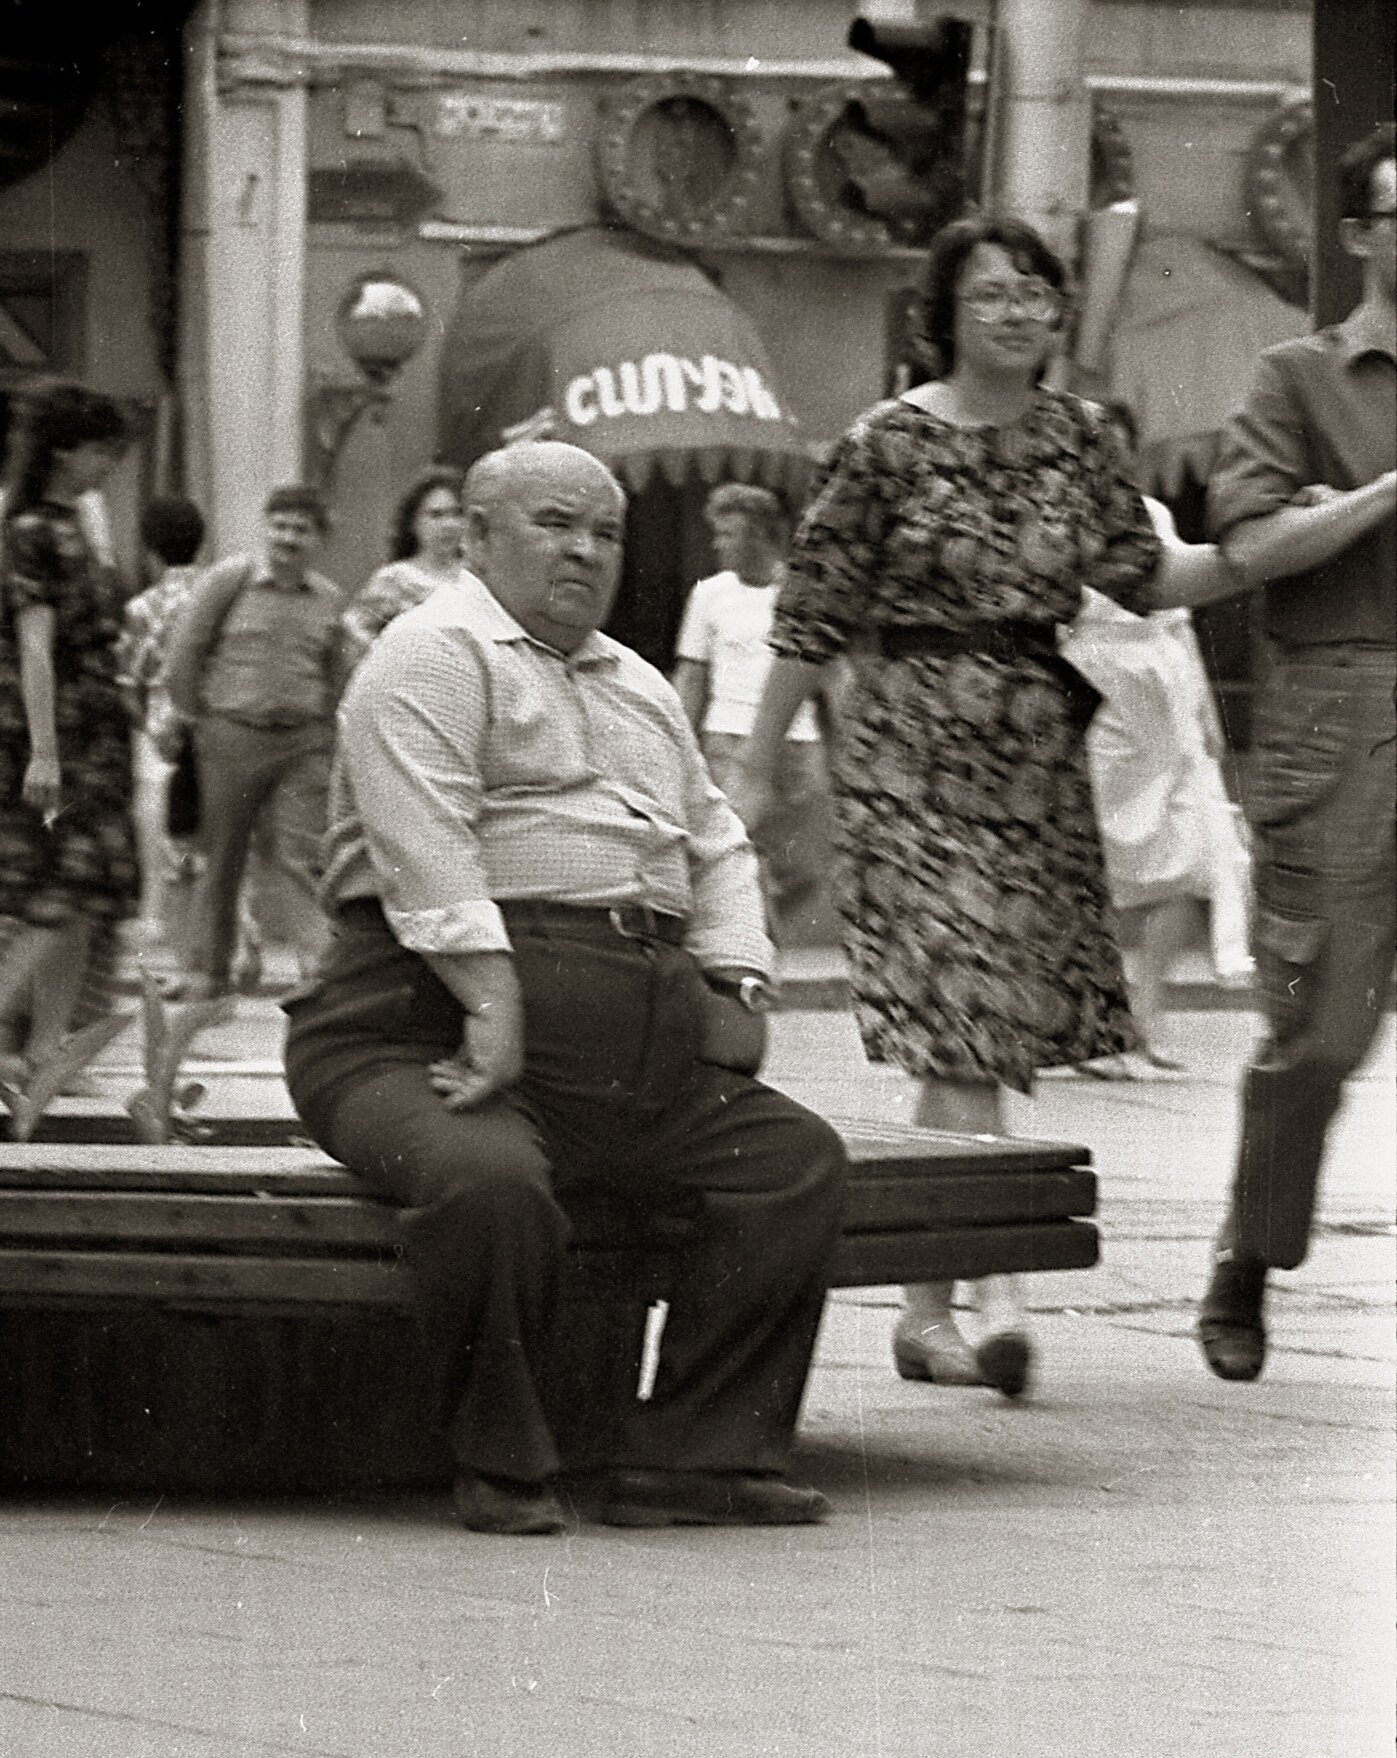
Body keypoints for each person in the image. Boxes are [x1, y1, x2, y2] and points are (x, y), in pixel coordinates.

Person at [735, 213, 1285, 1400]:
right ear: (944, 313)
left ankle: (924, 1314)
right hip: (904, 752)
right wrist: (754, 763)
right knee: (968, 1013)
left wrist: (1263, 546)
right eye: (990, 293)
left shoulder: (1079, 438)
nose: (1016, 312)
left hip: (1029, 759)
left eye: (1034, 293)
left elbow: (1145, 573)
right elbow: (811, 609)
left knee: (970, 1027)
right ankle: (996, 1292)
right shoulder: (884, 442)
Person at [283, 440, 845, 1537]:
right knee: (486, 1185)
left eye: (606, 532)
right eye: (555, 524)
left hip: (628, 1049)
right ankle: (500, 1460)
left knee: (791, 1167)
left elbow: (715, 842)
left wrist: (735, 976)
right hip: (418, 1030)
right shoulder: (431, 651)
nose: (585, 550)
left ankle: (697, 1459)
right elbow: (424, 846)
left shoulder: (637, 682)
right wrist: (492, 1002)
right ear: (477, 536)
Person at [1197, 124, 1397, 1383]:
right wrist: (1382, 493)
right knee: (1319, 1030)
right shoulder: (1294, 378)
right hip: (1344, 708)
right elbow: (1247, 546)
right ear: (1359, 234)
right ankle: (1248, 1250)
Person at [1061, 409, 1255, 1073]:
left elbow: (1178, 618)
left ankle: (1147, 1012)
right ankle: (1095, 1020)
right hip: (1094, 687)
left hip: (1164, 692)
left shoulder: (1153, 515)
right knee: (1099, 859)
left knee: (1193, 852)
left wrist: (1204, 711)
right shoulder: (1053, 519)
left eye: (1118, 450)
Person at [158, 484, 346, 999]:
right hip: (230, 737)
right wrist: (197, 718)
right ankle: (207, 973)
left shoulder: (328, 598)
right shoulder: (230, 580)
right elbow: (185, 652)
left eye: (300, 529)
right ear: (265, 528)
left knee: (301, 854)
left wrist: (324, 733)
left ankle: (319, 971)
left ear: (317, 538)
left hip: (302, 745)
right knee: (223, 855)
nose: (287, 538)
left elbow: (336, 672)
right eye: (279, 526)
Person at [0, 380, 137, 1081]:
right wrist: (45, 751)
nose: (108, 464)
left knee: (83, 897)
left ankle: (47, 1049)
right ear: (63, 449)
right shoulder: (31, 531)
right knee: (57, 892)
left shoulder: (74, 523)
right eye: (100, 450)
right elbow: (34, 647)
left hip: (97, 730)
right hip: (63, 732)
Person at [673, 483, 831, 937]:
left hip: (799, 742)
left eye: (728, 534)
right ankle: (754, 950)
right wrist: (682, 743)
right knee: (736, 854)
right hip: (728, 740)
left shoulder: (801, 591)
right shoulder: (709, 595)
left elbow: (829, 677)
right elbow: (692, 675)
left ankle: (762, 929)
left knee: (808, 867)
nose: (717, 544)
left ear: (760, 534)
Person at [115, 495, 207, 941]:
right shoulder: (215, 597)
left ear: (150, 547)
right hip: (210, 723)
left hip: (158, 724)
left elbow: (126, 683)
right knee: (207, 832)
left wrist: (146, 728)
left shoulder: (142, 608)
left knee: (155, 826)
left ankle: (157, 918)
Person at [340, 465, 465, 671]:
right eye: (436, 515)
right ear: (414, 522)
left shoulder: (478, 576)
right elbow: (354, 628)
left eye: (457, 514)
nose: (448, 524)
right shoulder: (395, 579)